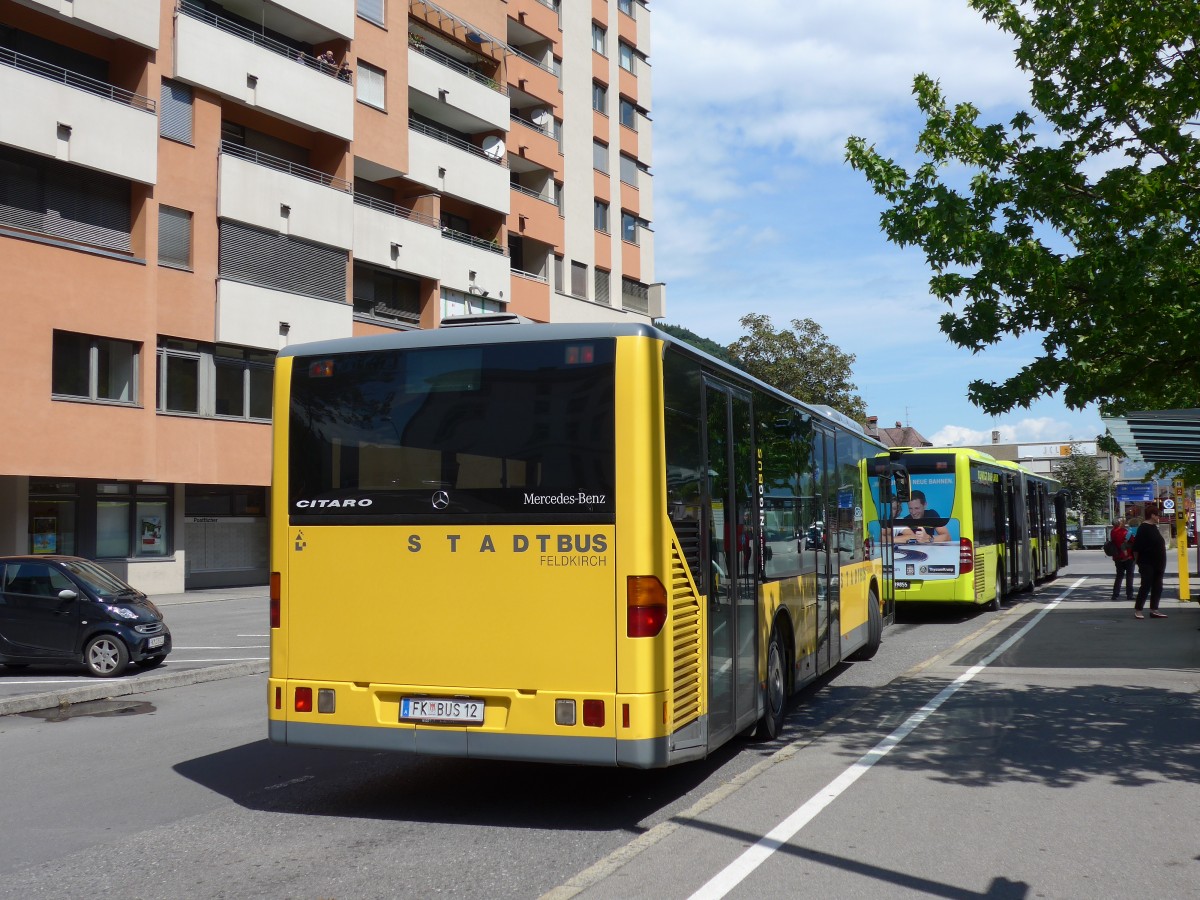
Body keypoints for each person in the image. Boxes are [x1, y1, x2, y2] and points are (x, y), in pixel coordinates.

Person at [1132, 507, 1167, 619]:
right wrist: (1137, 561)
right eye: (1157, 515)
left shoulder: (1154, 527)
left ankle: (1154, 609)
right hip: (1147, 562)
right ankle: (1138, 610)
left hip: (1158, 562)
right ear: (1152, 515)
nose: (1159, 517)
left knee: (1158, 586)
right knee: (1146, 585)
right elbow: (1136, 547)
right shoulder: (1144, 528)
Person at [1109, 517, 1134, 602]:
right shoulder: (1124, 532)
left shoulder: (1112, 531)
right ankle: (1129, 594)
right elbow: (1132, 541)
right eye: (1123, 522)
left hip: (1117, 557)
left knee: (1119, 575)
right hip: (1128, 556)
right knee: (1129, 576)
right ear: (1120, 523)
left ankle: (1115, 594)